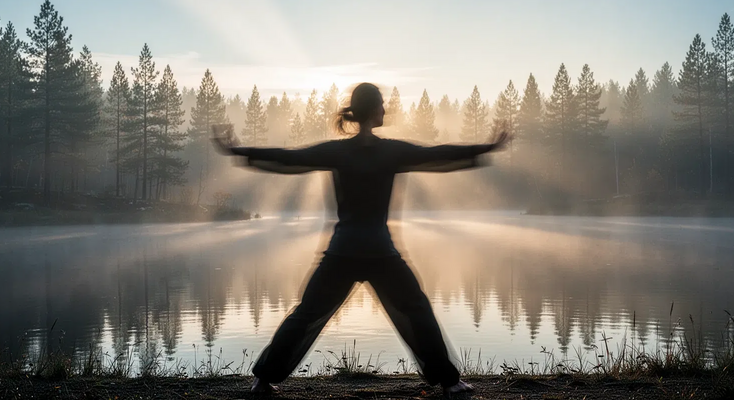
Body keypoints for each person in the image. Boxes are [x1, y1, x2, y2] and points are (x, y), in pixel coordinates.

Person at [211, 82, 512, 395]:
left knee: (306, 314)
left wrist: (239, 151)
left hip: (343, 253)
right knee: (417, 310)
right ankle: (450, 383)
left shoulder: (339, 152)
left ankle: (262, 380)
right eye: (381, 104)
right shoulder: (390, 151)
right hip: (380, 253)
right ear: (372, 109)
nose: (385, 109)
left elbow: (288, 158)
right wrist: (487, 148)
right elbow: (438, 154)